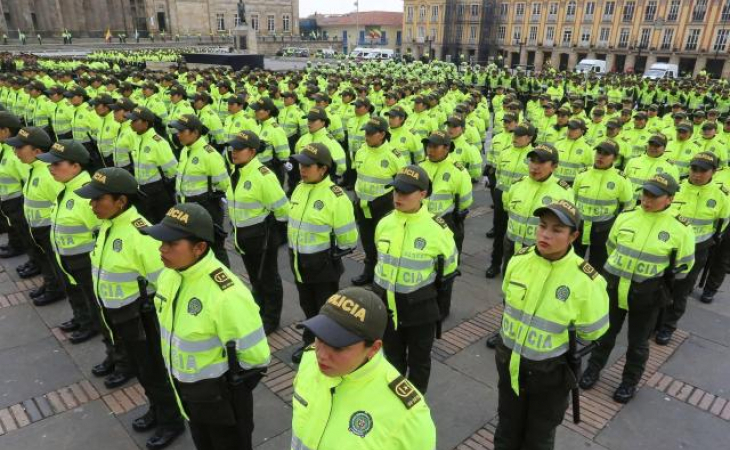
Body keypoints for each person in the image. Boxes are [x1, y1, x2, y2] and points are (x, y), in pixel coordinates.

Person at [143, 203, 271, 450]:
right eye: (162, 242)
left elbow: (257, 359)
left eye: (171, 244)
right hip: (188, 393)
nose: (162, 249)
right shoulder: (171, 274)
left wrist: (226, 392)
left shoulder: (226, 295)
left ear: (199, 247)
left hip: (221, 403)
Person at [75, 168, 185, 449]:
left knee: (153, 370)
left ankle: (170, 420)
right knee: (140, 368)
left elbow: (166, 281)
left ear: (121, 201)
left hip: (141, 317)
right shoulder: (110, 224)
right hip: (119, 314)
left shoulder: (139, 234)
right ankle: (156, 409)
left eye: (99, 199)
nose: (92, 205)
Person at [493, 200, 609, 450]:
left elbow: (594, 332)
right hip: (510, 363)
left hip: (550, 374)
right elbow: (507, 301)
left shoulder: (587, 280)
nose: (545, 234)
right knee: (506, 429)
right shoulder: (519, 260)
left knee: (538, 438)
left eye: (557, 230)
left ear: (573, 236)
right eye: (542, 226)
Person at [581, 173, 695, 403]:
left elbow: (684, 266)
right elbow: (611, 247)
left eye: (655, 196)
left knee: (638, 343)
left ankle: (629, 382)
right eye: (646, 193)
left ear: (670, 199)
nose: (648, 199)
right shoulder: (626, 217)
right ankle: (593, 369)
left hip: (647, 294)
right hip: (615, 286)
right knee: (605, 334)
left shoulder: (680, 229)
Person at [291, 287, 436, 450]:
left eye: (338, 347)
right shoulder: (309, 359)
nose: (321, 355)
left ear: (374, 348)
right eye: (320, 337)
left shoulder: (408, 417)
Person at [372, 165, 458, 393]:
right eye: (396, 191)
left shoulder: (438, 230)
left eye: (405, 192)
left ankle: (415, 406)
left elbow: (449, 270)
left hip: (420, 311)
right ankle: (393, 402)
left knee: (419, 363)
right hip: (388, 308)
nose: (398, 197)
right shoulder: (385, 223)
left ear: (423, 194)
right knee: (392, 360)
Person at [287, 143, 358, 363]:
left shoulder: (336, 198)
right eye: (301, 164)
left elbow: (348, 239)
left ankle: (326, 348)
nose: (302, 169)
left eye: (308, 165)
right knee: (308, 307)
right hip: (299, 262)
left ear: (323, 169)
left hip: (323, 266)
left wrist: (328, 256)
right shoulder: (300, 187)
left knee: (325, 310)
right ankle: (310, 344)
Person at [39, 141, 109, 349]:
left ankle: (98, 331)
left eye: (57, 164)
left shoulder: (86, 195)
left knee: (93, 300)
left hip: (85, 259)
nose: (51, 168)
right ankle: (82, 319)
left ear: (76, 166)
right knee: (75, 290)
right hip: (67, 255)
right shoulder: (67, 188)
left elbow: (100, 233)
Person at [655, 152, 730, 344]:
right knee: (660, 284)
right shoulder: (676, 188)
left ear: (713, 171)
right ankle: (654, 320)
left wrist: (713, 239)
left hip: (698, 249)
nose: (697, 174)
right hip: (668, 247)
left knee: (682, 289)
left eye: (703, 171)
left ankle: (668, 326)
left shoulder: (721, 195)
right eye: (694, 169)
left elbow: (723, 220)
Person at [226, 130, 289, 335]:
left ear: (252, 151)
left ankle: (271, 318)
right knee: (255, 278)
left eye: (239, 149)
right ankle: (259, 310)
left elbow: (282, 209)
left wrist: (274, 233)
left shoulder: (263, 176)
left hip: (262, 237)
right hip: (243, 236)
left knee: (268, 279)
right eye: (232, 148)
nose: (233, 152)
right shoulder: (236, 171)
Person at [7, 127, 66, 306]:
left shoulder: (48, 175)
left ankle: (55, 288)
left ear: (37, 151)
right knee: (44, 260)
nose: (16, 152)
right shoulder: (34, 168)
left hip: (48, 228)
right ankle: (50, 284)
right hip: (37, 227)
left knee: (51, 261)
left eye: (20, 148)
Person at [168, 114, 230, 267]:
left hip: (206, 207)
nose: (178, 134)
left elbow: (223, 184)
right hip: (187, 207)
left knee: (214, 247)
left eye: (182, 131)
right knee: (195, 247)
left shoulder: (209, 155)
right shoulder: (186, 150)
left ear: (195, 133)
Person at [351, 116, 406, 286]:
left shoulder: (393, 156)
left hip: (383, 205)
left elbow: (402, 185)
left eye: (371, 133)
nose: (367, 136)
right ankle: (369, 270)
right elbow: (358, 176)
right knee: (367, 239)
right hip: (362, 204)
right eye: (366, 132)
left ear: (382, 134)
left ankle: (383, 275)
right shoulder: (361, 151)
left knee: (384, 242)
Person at [573, 140, 634, 272]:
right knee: (574, 263)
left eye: (606, 154)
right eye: (599, 152)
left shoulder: (621, 179)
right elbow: (574, 199)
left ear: (615, 158)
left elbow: (627, 206)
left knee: (598, 266)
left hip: (603, 229)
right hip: (580, 226)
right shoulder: (582, 174)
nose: (600, 156)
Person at [127, 106, 177, 223]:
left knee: (161, 223)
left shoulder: (158, 143)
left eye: (135, 120)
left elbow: (172, 170)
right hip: (141, 189)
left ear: (146, 123)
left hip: (157, 190)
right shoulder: (137, 138)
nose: (131, 123)